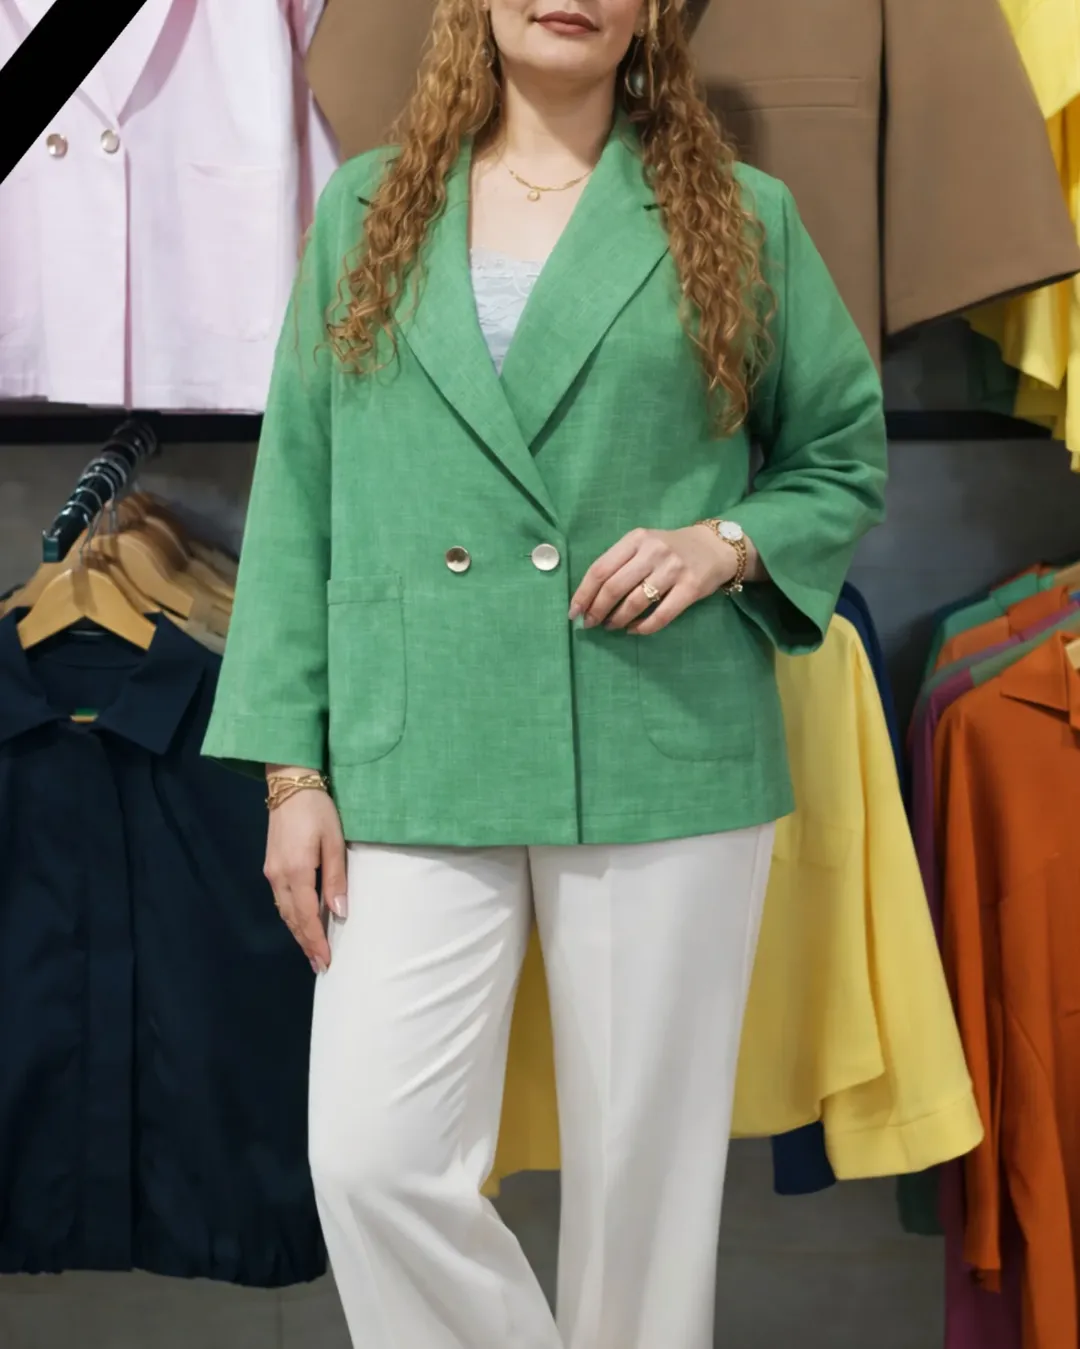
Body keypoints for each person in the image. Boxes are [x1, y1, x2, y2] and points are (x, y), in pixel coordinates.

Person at [202, 0, 887, 1344]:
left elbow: (841, 456)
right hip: (416, 740)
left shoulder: (738, 214)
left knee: (645, 1196)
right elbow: (297, 499)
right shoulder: (366, 210)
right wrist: (293, 770)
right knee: (372, 1162)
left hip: (657, 732)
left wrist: (724, 542)